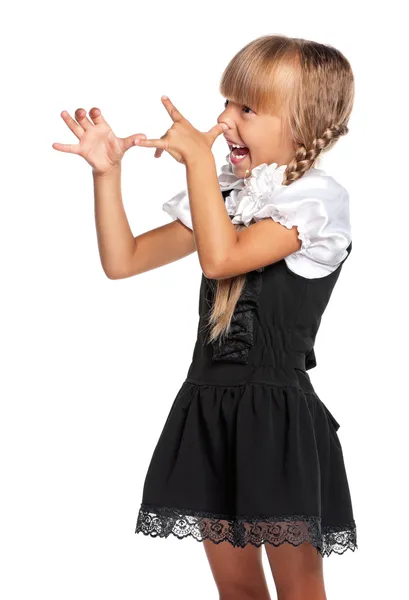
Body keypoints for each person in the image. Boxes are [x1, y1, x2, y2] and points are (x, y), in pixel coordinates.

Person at [53, 33, 357, 600]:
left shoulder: (316, 201)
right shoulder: (231, 197)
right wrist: (106, 173)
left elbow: (222, 260)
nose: (223, 118)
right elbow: (124, 261)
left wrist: (195, 158)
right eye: (225, 102)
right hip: (210, 408)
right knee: (237, 590)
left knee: (299, 588)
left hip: (275, 418)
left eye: (246, 108)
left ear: (303, 120)